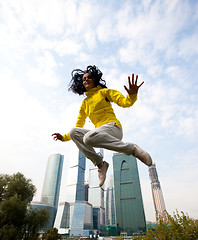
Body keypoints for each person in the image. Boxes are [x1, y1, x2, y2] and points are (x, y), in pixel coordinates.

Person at [52, 65, 152, 187]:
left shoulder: (104, 92)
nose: (86, 80)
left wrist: (132, 95)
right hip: (99, 133)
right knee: (74, 132)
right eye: (84, 79)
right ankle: (100, 164)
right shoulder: (85, 103)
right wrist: (63, 137)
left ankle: (132, 149)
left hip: (113, 128)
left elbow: (125, 103)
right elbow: (78, 126)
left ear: (94, 79)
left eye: (89, 78)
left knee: (88, 138)